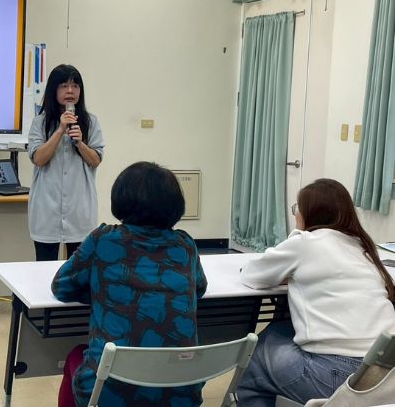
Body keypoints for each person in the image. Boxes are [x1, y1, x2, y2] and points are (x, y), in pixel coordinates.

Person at [51, 161, 208, 407]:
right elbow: (199, 288)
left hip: (112, 392)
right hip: (181, 393)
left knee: (75, 356)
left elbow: (61, 287)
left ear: (121, 199)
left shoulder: (103, 240)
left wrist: (101, 290)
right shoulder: (186, 245)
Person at [237, 178, 395, 406]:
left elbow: (252, 276)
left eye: (296, 209)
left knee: (256, 353)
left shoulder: (304, 242)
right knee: (280, 329)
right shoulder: (364, 247)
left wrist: (293, 247)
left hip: (336, 377)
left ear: (308, 214)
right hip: (384, 377)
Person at [28, 64, 104, 261]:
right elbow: (39, 159)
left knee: (78, 269)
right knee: (43, 268)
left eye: (75, 86)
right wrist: (60, 130)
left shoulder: (91, 122)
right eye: (64, 86)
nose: (70, 91)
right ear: (53, 90)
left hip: (79, 210)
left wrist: (80, 143)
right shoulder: (40, 122)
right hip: (47, 209)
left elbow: (95, 160)